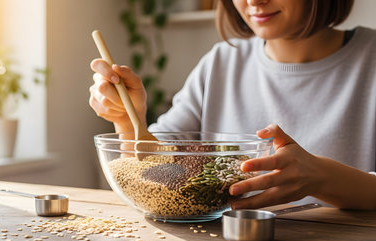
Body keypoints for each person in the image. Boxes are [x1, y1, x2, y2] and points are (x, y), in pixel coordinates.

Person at [89, 0, 376, 210]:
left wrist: (322, 179)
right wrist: (127, 119)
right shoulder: (221, 62)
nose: (254, 1)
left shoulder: (370, 60)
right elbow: (154, 166)